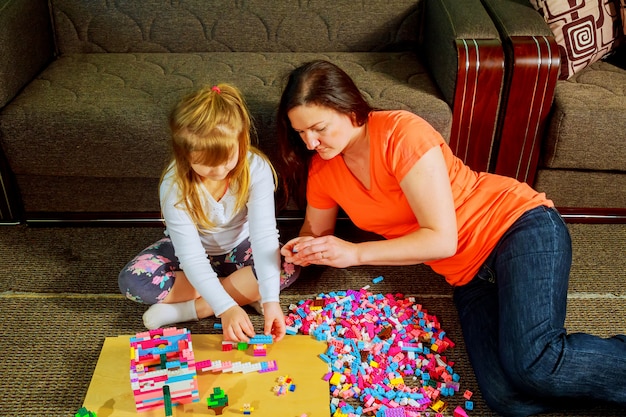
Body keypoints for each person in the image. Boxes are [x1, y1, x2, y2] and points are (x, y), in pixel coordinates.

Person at [276, 60, 626, 417]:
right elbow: (314, 232)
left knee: (536, 363)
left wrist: (354, 253)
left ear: (350, 108)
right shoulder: (323, 169)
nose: (309, 142)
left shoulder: (402, 133)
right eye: (300, 132)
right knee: (510, 400)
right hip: (468, 278)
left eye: (317, 128)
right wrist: (302, 249)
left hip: (515, 226)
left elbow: (442, 241)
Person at [119, 84, 299, 342]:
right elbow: (191, 256)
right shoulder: (175, 184)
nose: (219, 171)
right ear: (184, 156)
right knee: (133, 282)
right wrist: (227, 308)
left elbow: (264, 237)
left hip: (241, 248)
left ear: (242, 140)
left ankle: (191, 309)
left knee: (288, 263)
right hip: (191, 255)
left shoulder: (255, 168)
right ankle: (242, 293)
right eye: (206, 164)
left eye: (228, 159)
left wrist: (271, 301)